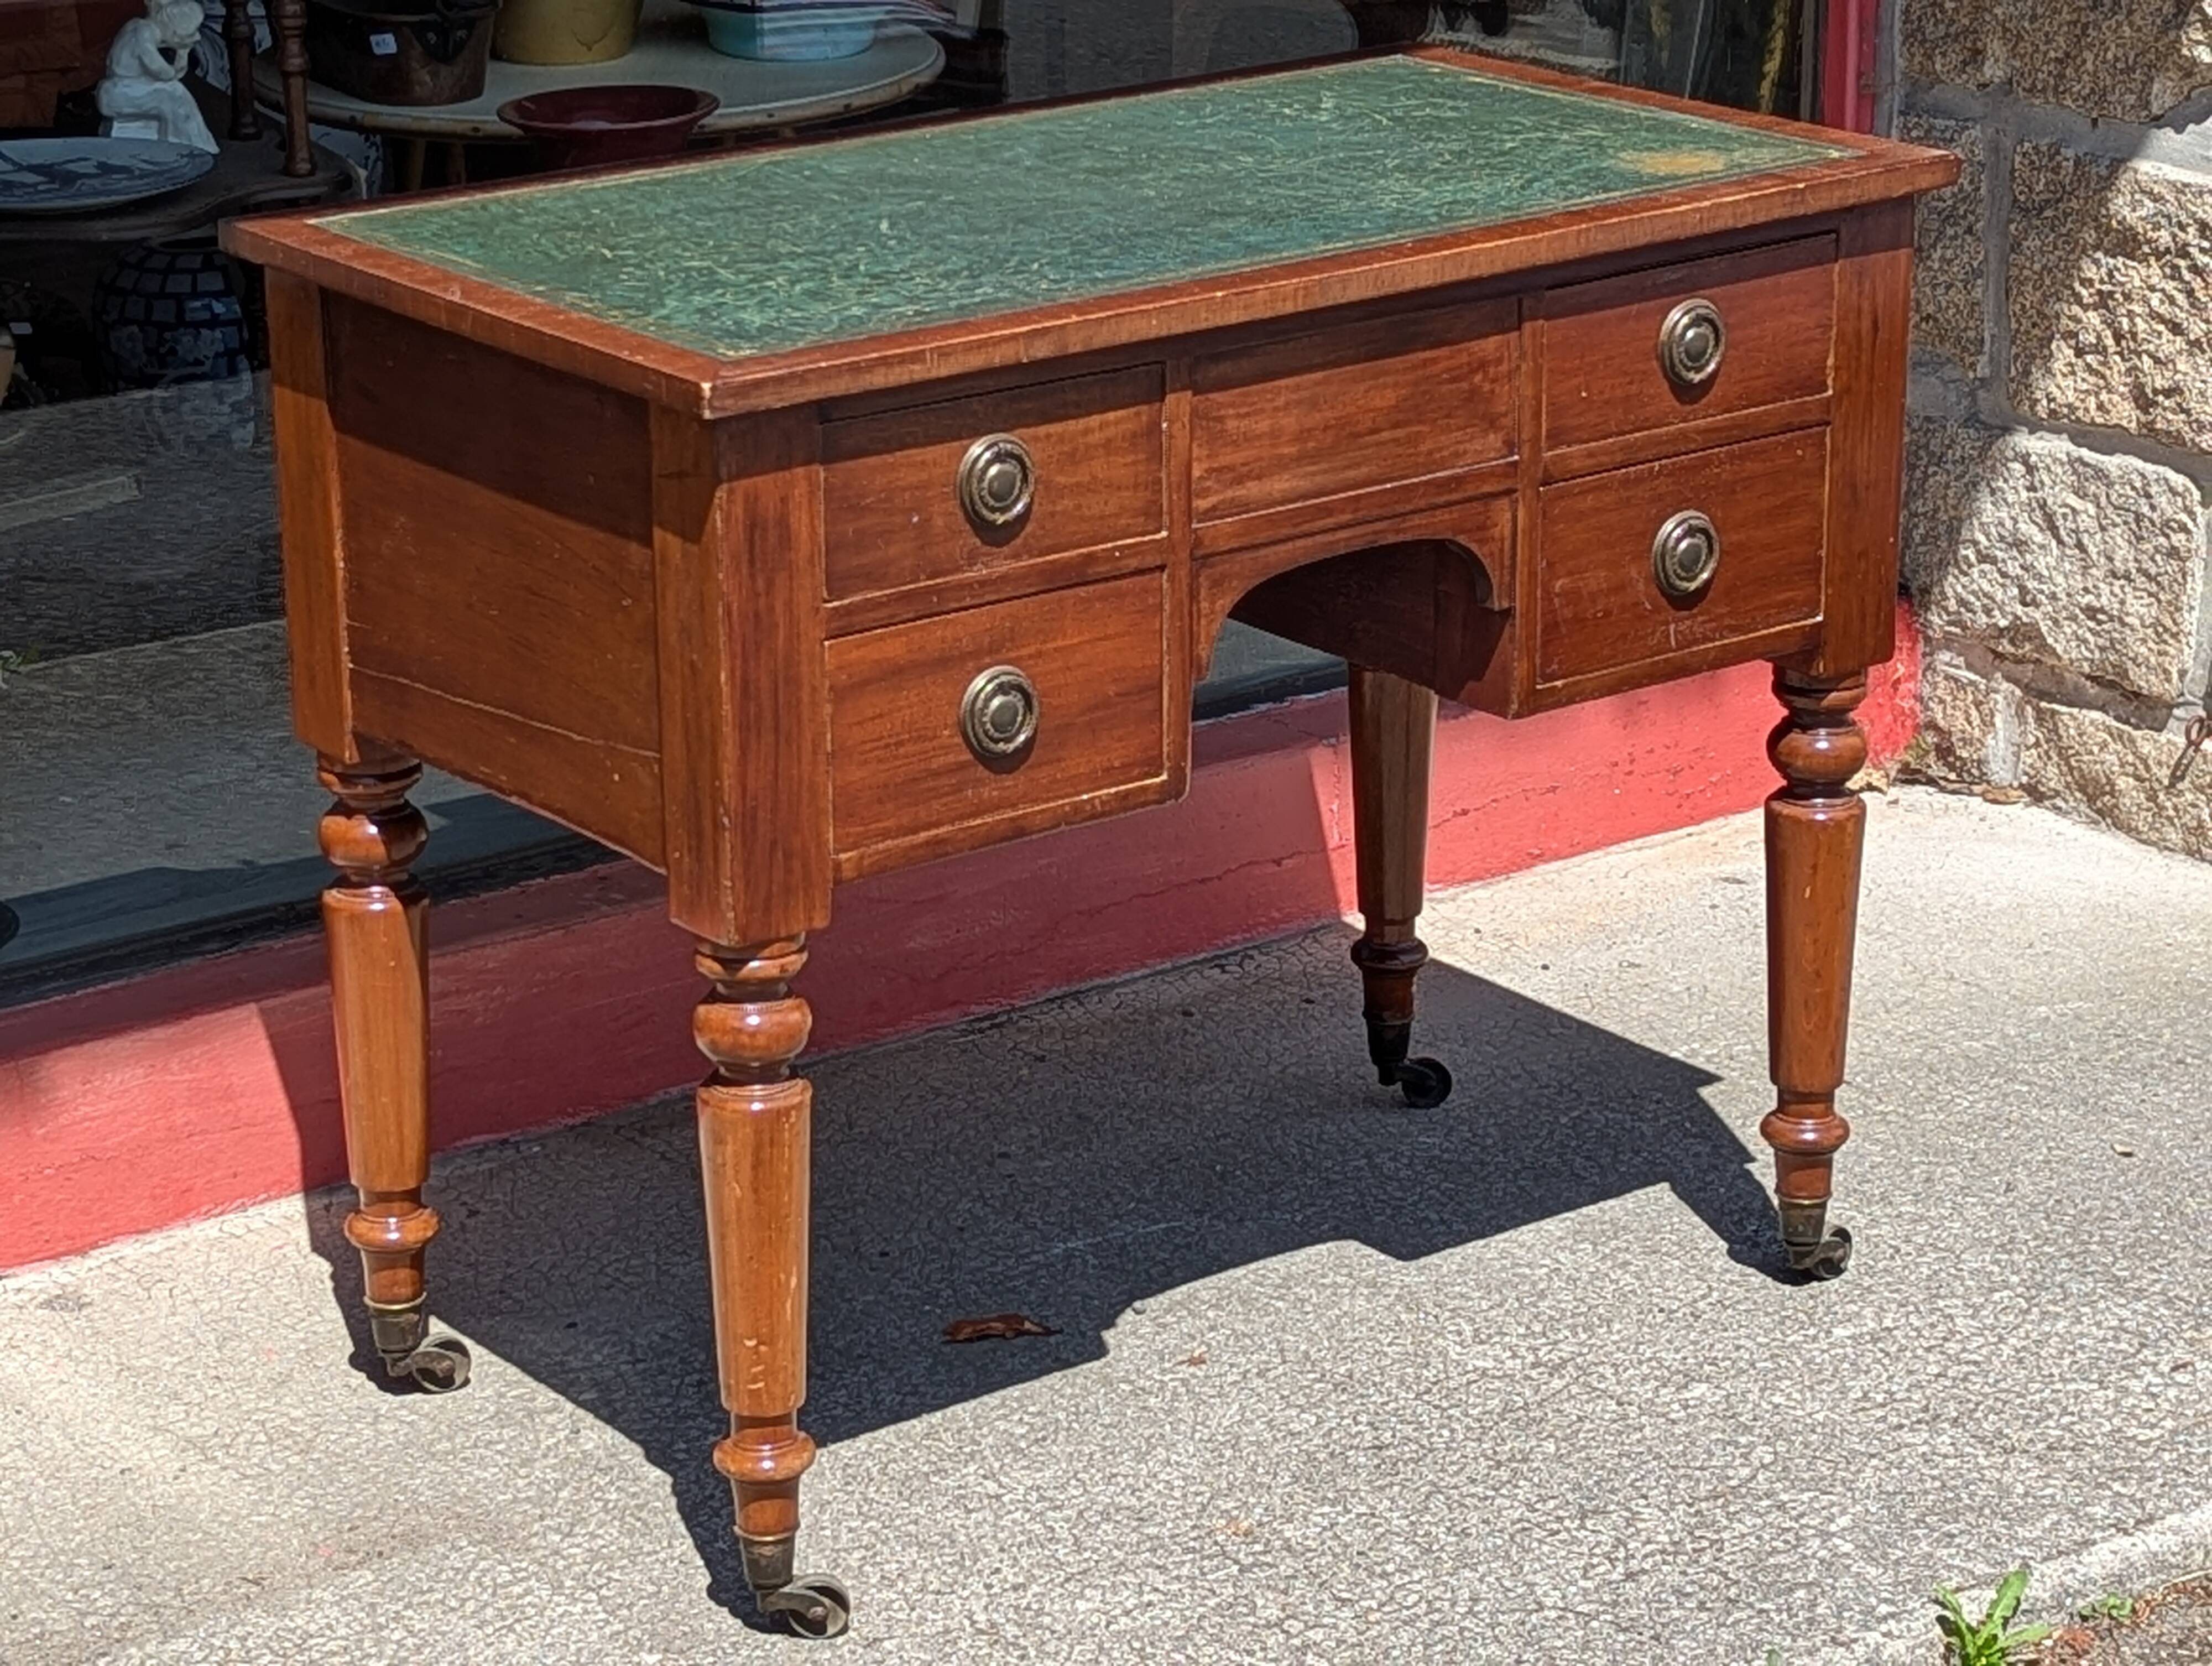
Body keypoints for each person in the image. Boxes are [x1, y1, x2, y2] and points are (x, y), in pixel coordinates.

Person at [96, 0, 218, 153]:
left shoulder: (142, 28)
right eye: (192, 32)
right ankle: (185, 147)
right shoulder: (143, 31)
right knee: (174, 95)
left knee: (174, 91)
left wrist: (183, 52)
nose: (197, 36)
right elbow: (162, 72)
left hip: (126, 89)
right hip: (118, 93)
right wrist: (182, 51)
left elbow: (173, 76)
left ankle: (190, 144)